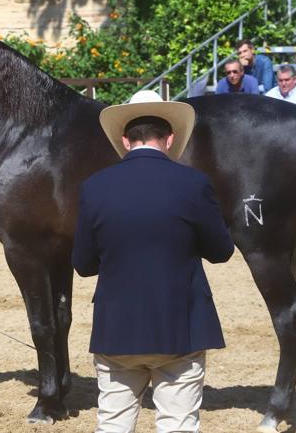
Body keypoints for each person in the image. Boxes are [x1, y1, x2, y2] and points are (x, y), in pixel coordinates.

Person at [72, 90, 234, 433]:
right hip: (180, 326)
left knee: (113, 423)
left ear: (125, 140)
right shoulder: (193, 183)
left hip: (116, 327)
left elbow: (84, 264)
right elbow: (221, 251)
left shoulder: (94, 187)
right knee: (178, 424)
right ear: (171, 138)